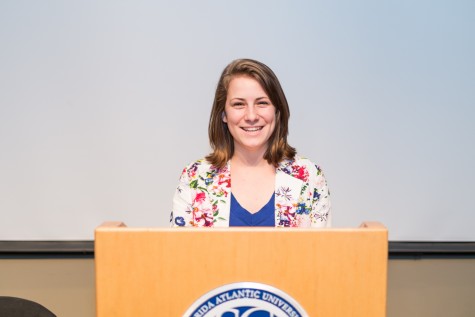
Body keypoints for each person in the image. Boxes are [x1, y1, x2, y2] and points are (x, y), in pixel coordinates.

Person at [171, 58, 331, 227]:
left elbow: (323, 252)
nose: (251, 116)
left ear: (277, 111)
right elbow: (181, 252)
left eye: (262, 103)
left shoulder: (310, 177)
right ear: (223, 114)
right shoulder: (196, 177)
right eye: (239, 104)